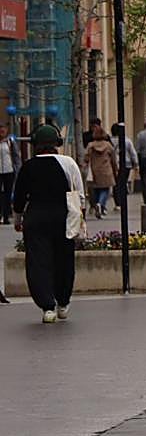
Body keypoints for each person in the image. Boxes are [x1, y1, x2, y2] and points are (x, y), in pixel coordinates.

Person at [11, 125, 85, 323]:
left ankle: (47, 306)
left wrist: (18, 220)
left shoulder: (28, 166)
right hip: (63, 217)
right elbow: (79, 192)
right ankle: (63, 302)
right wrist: (80, 215)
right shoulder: (68, 163)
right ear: (56, 144)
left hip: (36, 218)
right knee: (64, 259)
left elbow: (19, 198)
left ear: (36, 145)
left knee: (38, 262)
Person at [83, 119, 118, 219]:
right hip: (106, 170)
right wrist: (116, 169)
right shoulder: (108, 146)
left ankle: (98, 205)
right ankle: (100, 204)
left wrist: (85, 166)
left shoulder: (90, 145)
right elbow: (113, 159)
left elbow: (86, 158)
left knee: (97, 190)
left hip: (94, 171)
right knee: (105, 190)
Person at [110, 123, 137, 211]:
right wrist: (135, 163)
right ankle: (122, 200)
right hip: (126, 164)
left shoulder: (109, 141)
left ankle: (117, 203)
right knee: (123, 182)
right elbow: (132, 153)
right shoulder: (127, 140)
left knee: (115, 183)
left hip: (113, 164)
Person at [0, 121, 21, 225]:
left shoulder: (10, 142)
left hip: (9, 170)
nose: (2, 131)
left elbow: (16, 156)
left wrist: (18, 168)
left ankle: (6, 216)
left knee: (8, 194)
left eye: (3, 128)